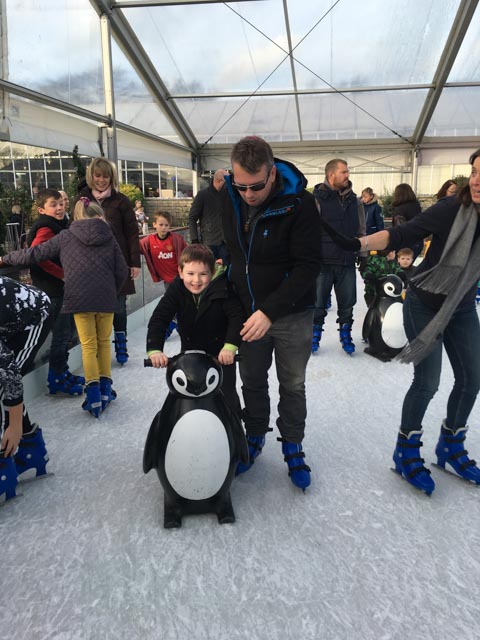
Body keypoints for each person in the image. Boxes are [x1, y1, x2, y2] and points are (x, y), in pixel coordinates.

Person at [326, 148, 480, 496]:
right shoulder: (452, 208)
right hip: (425, 303)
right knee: (428, 382)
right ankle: (406, 450)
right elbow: (401, 234)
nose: (476, 181)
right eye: (474, 172)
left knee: (472, 379)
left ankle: (450, 446)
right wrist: (358, 243)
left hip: (462, 305)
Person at [221, 136, 322, 490]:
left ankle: (292, 443)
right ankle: (254, 433)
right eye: (241, 186)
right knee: (252, 380)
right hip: (249, 315)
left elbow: (308, 266)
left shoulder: (301, 204)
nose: (248, 194)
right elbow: (232, 254)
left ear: (273, 173)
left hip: (292, 314)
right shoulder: (229, 196)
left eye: (256, 186)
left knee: (292, 384)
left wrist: (269, 311)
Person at [1, 197, 129, 419]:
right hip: (105, 298)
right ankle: (105, 388)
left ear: (76, 216)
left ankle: (93, 393)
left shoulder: (65, 236)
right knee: (102, 342)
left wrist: (5, 258)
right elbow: (122, 271)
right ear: (100, 216)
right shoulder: (109, 236)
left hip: (79, 298)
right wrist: (111, 290)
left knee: (88, 345)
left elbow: (34, 254)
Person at [146, 244, 244, 414]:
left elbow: (237, 318)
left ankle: (232, 421)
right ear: (180, 272)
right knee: (185, 392)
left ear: (212, 272)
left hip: (220, 356)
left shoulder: (223, 287)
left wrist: (230, 346)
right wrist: (155, 349)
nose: (196, 280)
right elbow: (160, 318)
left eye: (203, 274)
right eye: (190, 274)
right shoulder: (177, 288)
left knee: (225, 394)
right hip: (189, 354)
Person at [78, 157, 140, 365]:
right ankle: (96, 347)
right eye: (98, 176)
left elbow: (132, 233)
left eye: (105, 176)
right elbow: (74, 228)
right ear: (91, 176)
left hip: (118, 262)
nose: (101, 180)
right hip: (91, 264)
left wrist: (135, 262)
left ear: (111, 177)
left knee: (119, 305)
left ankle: (121, 341)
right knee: (95, 305)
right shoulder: (82, 199)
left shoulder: (121, 201)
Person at [26, 187, 84, 396]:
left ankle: (62, 372)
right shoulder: (46, 228)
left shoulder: (57, 225)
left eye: (60, 203)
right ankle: (56, 378)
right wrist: (62, 274)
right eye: (53, 205)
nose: (59, 208)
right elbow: (37, 254)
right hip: (52, 290)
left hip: (58, 289)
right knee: (60, 335)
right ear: (41, 210)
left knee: (64, 334)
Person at [0, 276, 53, 502]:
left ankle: (5, 466)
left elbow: (9, 373)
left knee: (4, 385)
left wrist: (14, 426)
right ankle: (31, 449)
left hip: (34, 315)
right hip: (8, 317)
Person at [311, 158, 366, 355]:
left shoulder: (355, 201)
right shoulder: (316, 199)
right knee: (318, 303)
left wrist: (363, 255)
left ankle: (345, 334)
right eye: (343, 172)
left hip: (346, 260)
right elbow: (308, 231)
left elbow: (361, 230)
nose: (347, 175)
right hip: (323, 261)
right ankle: (314, 334)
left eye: (347, 171)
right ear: (331, 174)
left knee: (348, 303)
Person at [140, 210, 187, 339]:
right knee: (174, 302)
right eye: (161, 225)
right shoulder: (149, 241)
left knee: (175, 302)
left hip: (179, 278)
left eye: (166, 225)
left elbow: (188, 252)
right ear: (154, 225)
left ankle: (173, 325)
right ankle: (177, 323)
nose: (164, 228)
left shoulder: (176, 239)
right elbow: (135, 247)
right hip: (167, 279)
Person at [188, 169, 228, 263]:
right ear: (218, 181)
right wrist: (194, 240)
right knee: (208, 268)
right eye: (226, 181)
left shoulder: (227, 194)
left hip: (226, 243)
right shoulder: (203, 195)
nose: (228, 184)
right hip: (209, 243)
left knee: (226, 269)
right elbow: (192, 218)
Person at [391, 183, 423, 260]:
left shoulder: (400, 209)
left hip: (405, 243)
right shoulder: (416, 206)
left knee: (402, 265)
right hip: (418, 240)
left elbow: (400, 228)